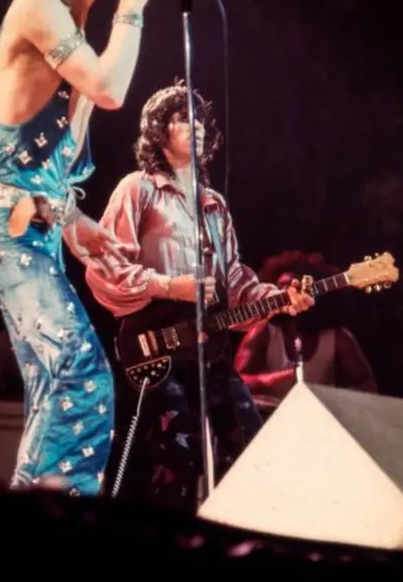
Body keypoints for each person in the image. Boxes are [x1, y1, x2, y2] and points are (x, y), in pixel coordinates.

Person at [0, 0, 172, 495]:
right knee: (80, 378)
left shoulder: (73, 27)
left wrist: (76, 223)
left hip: (28, 227)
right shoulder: (37, 2)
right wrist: (136, 4)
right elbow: (113, 89)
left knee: (56, 383)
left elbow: (41, 175)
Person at [85, 82, 314, 512]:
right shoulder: (138, 189)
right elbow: (105, 266)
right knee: (174, 462)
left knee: (251, 449)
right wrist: (171, 286)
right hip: (156, 348)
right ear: (158, 131)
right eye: (180, 118)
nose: (196, 126)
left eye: (200, 118)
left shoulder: (214, 204)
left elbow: (234, 281)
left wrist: (280, 297)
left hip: (210, 352)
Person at [234, 250, 377, 417]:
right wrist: (281, 378)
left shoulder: (337, 337)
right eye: (280, 287)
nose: (285, 294)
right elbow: (237, 382)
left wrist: (336, 403)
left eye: (292, 287)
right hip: (272, 421)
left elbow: (366, 384)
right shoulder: (264, 332)